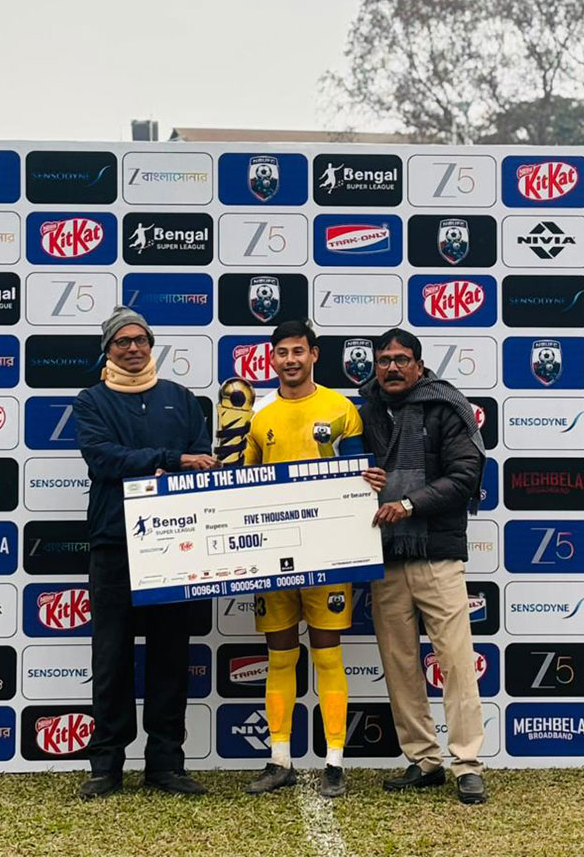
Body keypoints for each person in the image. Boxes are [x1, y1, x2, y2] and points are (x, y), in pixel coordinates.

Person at [73, 306, 219, 799]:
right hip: (114, 543)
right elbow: (102, 458)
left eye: (140, 339)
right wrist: (167, 460)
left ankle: (166, 764)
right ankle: (106, 765)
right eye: (122, 341)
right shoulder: (91, 400)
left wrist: (175, 464)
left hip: (176, 545)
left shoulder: (181, 398)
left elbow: (202, 457)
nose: (133, 348)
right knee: (111, 657)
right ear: (108, 350)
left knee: (170, 657)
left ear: (151, 345)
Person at [358, 327, 489, 805]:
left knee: (455, 662)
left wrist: (409, 503)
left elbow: (465, 475)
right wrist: (360, 478)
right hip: (385, 555)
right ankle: (424, 759)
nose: (392, 367)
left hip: (437, 553)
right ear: (375, 365)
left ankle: (467, 763)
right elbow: (345, 473)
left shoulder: (446, 405)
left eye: (401, 359)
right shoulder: (363, 411)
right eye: (384, 360)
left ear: (418, 364)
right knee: (399, 665)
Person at [241, 320, 364, 798]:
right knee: (280, 656)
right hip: (273, 555)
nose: (289, 360)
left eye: (298, 351)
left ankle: (335, 761)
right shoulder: (260, 416)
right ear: (271, 358)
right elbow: (242, 488)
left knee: (328, 654)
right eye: (281, 352)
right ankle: (279, 758)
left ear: (314, 355)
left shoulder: (341, 409)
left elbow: (361, 474)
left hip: (328, 551)